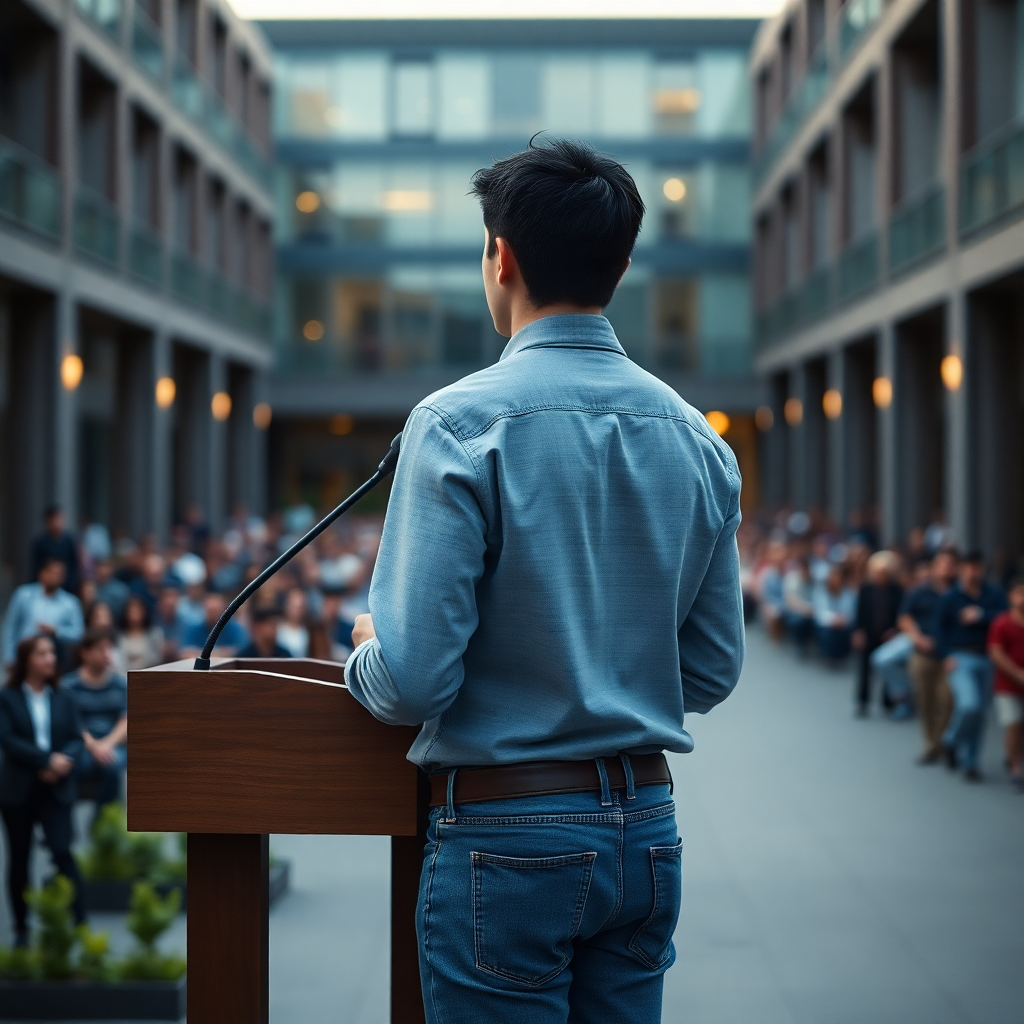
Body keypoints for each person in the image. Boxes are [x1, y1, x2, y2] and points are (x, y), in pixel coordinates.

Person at [345, 140, 743, 1023]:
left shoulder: (456, 422)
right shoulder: (698, 438)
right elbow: (712, 672)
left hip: (503, 840)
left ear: (501, 257)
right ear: (623, 264)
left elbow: (411, 681)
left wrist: (365, 652)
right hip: (645, 831)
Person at [0, 635, 87, 946]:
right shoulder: (7, 697)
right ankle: (21, 928)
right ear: (26, 660)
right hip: (19, 789)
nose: (50, 658)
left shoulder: (64, 696)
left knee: (63, 852)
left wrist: (65, 760)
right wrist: (45, 760)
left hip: (56, 786)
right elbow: (8, 740)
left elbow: (77, 737)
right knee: (19, 858)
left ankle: (81, 923)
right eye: (42, 653)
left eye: (51, 653)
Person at [935, 552, 1006, 781]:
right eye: (969, 568)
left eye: (977, 568)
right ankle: (951, 739)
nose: (973, 573)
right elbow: (939, 629)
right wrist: (945, 655)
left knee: (980, 713)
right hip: (960, 656)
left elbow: (1006, 617)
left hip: (986, 656)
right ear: (962, 569)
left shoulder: (993, 594)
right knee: (969, 705)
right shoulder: (950, 597)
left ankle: (971, 761)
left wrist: (982, 615)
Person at [898, 549, 957, 764]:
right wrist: (917, 638)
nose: (946, 569)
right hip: (922, 654)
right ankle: (931, 745)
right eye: (942, 564)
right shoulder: (920, 592)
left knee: (947, 701)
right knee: (926, 701)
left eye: (950, 565)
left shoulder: (958, 594)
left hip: (949, 657)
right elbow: (904, 617)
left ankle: (944, 739)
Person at [62, 630, 128, 812]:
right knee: (72, 764)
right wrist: (94, 746)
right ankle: (65, 820)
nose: (107, 654)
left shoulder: (120, 684)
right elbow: (71, 722)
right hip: (82, 743)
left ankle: (102, 824)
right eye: (100, 649)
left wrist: (107, 744)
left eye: (109, 648)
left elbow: (126, 720)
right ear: (85, 653)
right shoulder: (68, 686)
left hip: (113, 743)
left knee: (112, 767)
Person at [1, 560, 84, 669]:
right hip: (24, 657)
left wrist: (57, 631)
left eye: (59, 574)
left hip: (54, 659)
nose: (54, 577)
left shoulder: (70, 603)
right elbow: (10, 627)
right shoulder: (23, 595)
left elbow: (78, 633)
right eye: (51, 572)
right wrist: (9, 657)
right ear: (42, 573)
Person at [852, 551, 904, 717]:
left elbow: (901, 613)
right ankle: (863, 701)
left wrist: (895, 630)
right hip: (868, 633)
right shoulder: (866, 589)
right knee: (865, 669)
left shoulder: (896, 590)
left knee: (887, 666)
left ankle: (888, 701)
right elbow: (859, 612)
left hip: (888, 635)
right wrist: (858, 631)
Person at [987, 578, 1024, 790]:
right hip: (1007, 684)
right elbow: (996, 652)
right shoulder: (1002, 623)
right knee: (1013, 723)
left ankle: (1014, 755)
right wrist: (1017, 673)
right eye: (1019, 594)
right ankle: (1016, 768)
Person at [30, 505, 80, 597]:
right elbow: (35, 567)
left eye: (60, 519)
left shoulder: (69, 541)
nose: (58, 523)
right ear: (48, 522)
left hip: (66, 587)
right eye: (55, 519)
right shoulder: (40, 543)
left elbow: (74, 565)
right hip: (45, 589)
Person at [180, 592, 247, 658]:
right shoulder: (194, 629)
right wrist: (221, 652)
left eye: (215, 611)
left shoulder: (235, 628)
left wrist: (200, 653)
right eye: (210, 611)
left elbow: (240, 651)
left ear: (224, 611)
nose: (212, 615)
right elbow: (185, 653)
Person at [813, 563, 857, 663]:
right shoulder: (820, 591)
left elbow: (852, 611)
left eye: (837, 577)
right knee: (828, 633)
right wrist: (833, 619)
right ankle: (828, 655)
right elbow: (819, 612)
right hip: (827, 623)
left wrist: (843, 619)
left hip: (844, 622)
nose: (835, 580)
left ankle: (841, 655)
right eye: (832, 577)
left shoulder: (849, 592)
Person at [117, 595, 164, 671]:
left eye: (138, 610)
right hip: (125, 676)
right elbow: (119, 662)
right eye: (131, 610)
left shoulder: (155, 634)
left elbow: (157, 659)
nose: (135, 613)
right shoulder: (119, 636)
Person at [276, 588, 310, 658]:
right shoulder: (278, 630)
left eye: (300, 607)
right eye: (294, 607)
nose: (297, 611)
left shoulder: (310, 631)